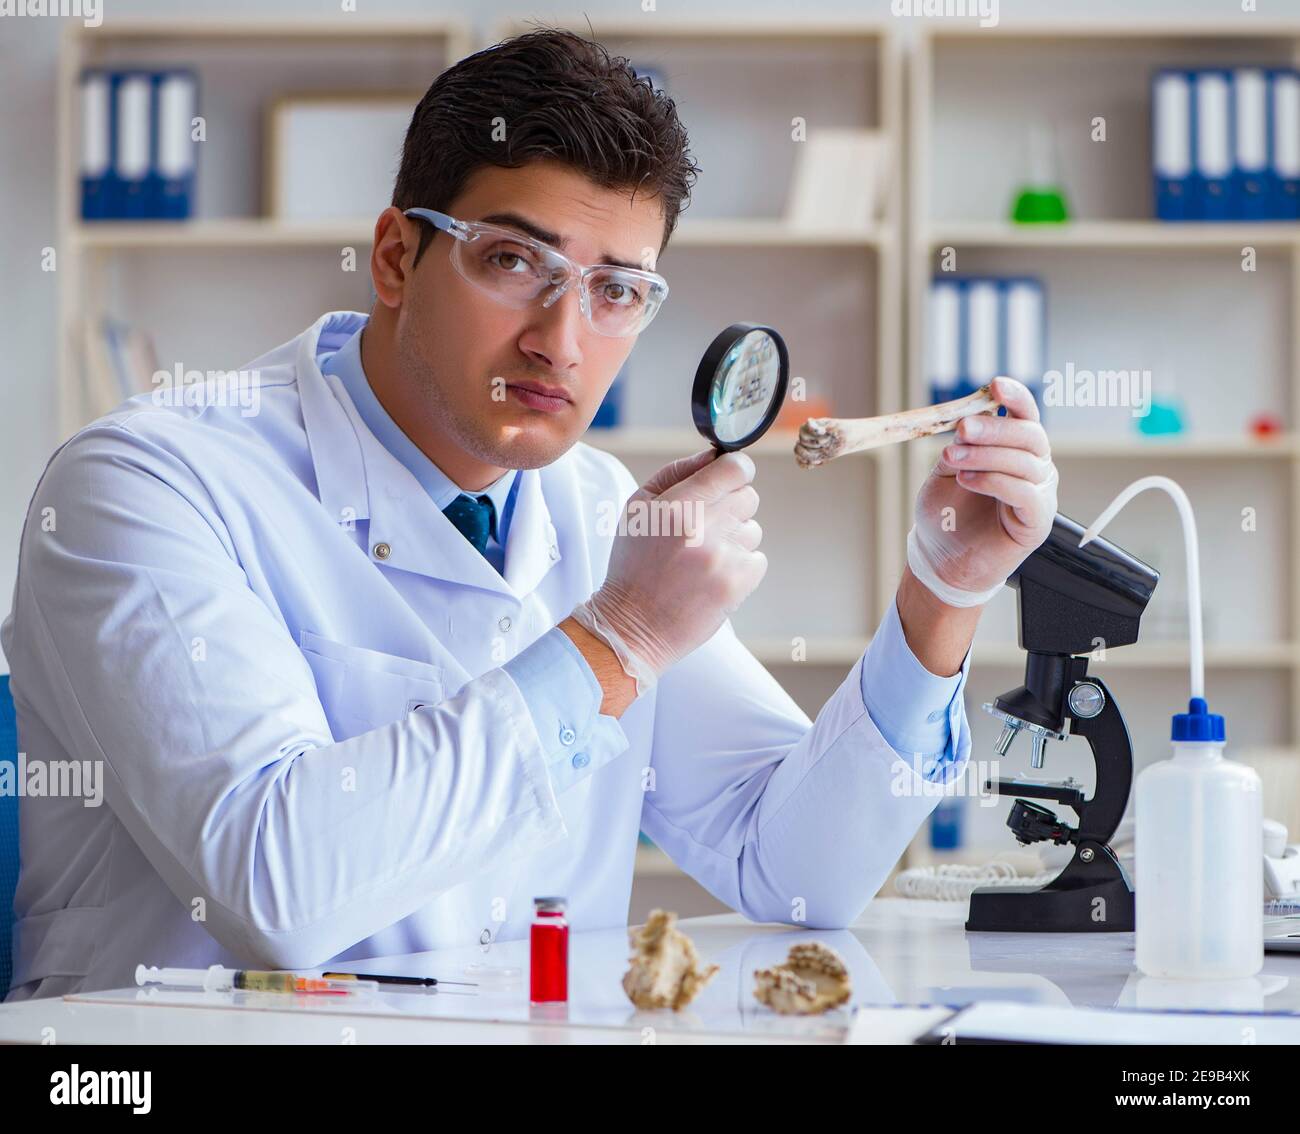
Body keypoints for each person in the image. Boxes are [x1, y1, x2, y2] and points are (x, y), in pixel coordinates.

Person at [1, 30, 1057, 1001]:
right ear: (395, 259)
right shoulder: (142, 484)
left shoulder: (596, 508)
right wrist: (619, 637)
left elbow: (793, 872)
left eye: (615, 292)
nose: (562, 340)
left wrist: (942, 591)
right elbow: (279, 891)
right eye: (515, 263)